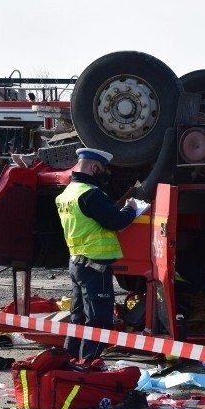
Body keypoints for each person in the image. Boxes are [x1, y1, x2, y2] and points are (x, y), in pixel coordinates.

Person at [56, 148, 141, 360]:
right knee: (98, 322)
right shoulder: (90, 194)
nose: (105, 175)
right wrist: (131, 208)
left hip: (77, 263)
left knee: (78, 319)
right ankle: (87, 367)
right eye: (103, 170)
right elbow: (116, 221)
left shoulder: (68, 193)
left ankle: (70, 362)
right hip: (95, 267)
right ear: (94, 168)